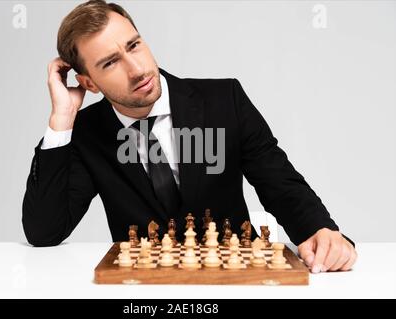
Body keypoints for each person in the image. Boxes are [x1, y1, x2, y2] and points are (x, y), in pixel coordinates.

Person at [22, 0, 357, 273]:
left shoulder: (225, 100)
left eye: (134, 46)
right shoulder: (86, 133)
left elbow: (279, 183)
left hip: (233, 276)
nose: (137, 69)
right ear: (89, 83)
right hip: (145, 291)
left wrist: (319, 230)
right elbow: (44, 231)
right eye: (110, 63)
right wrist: (61, 121)